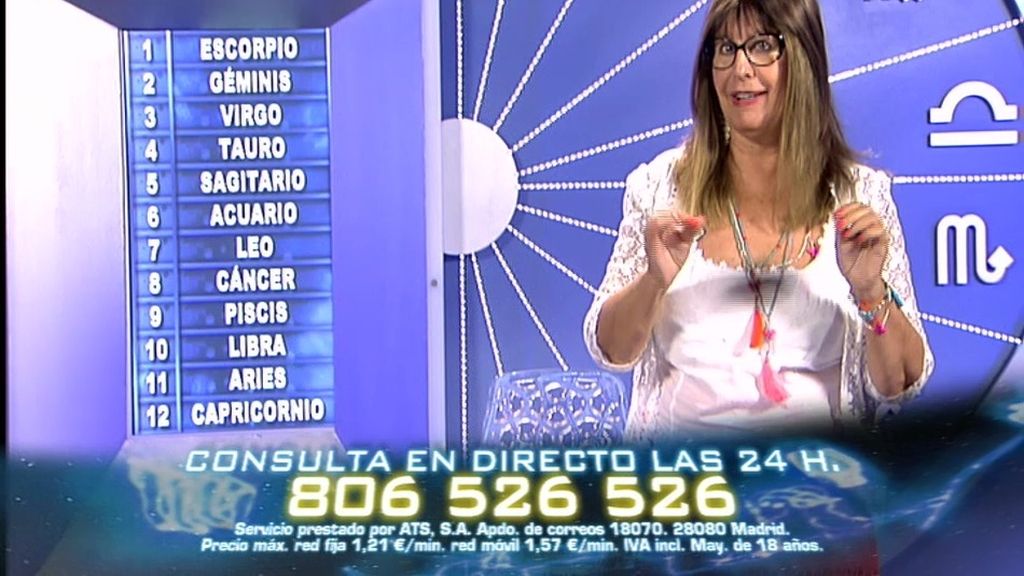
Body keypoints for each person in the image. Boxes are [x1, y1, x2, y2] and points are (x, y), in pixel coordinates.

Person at [583, 0, 933, 441]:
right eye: (725, 49)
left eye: (762, 46)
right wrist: (654, 280)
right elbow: (612, 351)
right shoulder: (658, 189)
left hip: (817, 474)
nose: (741, 69)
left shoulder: (860, 195)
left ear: (803, 59)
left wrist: (870, 292)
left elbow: (900, 384)